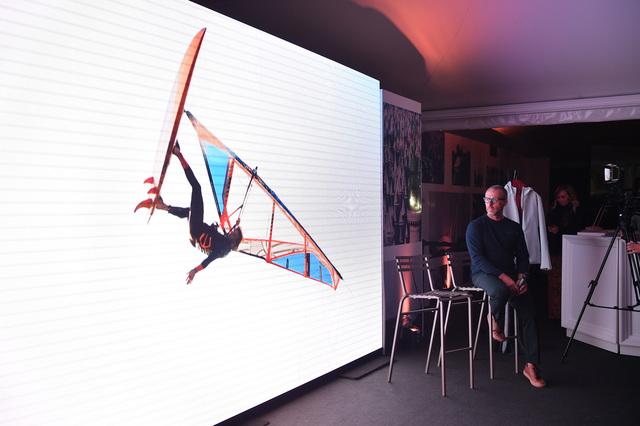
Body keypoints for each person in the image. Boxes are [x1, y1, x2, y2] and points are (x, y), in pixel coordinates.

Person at [466, 184, 546, 388]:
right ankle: (493, 318)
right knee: (500, 290)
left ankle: (531, 366)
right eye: (487, 199)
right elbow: (478, 259)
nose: (490, 203)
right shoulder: (476, 226)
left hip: (510, 276)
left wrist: (521, 278)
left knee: (529, 315)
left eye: (495, 200)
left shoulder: (513, 227)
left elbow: (523, 256)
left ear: (505, 202)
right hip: (483, 274)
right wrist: (506, 279)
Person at [137, 142, 243, 284]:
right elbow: (224, 235)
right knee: (189, 212)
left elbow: (209, 260)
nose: (231, 232)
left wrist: (195, 271)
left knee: (196, 187)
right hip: (194, 236)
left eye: (234, 233)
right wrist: (233, 226)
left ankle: (178, 153)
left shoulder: (225, 248)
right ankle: (162, 206)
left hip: (197, 230)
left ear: (234, 241)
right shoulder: (225, 242)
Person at [546, 185, 583, 319]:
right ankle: (556, 313)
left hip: (572, 250)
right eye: (558, 197)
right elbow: (549, 226)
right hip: (556, 250)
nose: (560, 199)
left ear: (569, 197)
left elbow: (577, 228)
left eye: (563, 196)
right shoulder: (553, 211)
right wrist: (551, 229)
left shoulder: (575, 210)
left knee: (571, 283)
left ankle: (571, 314)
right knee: (555, 283)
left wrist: (559, 229)